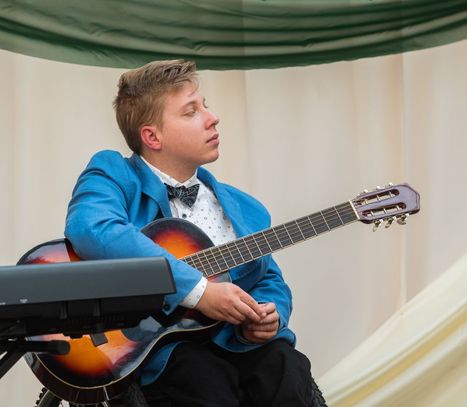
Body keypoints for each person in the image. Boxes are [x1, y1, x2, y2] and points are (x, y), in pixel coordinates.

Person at [64, 59, 317, 406]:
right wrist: (200, 292)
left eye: (205, 105)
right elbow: (92, 228)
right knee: (200, 378)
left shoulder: (246, 207)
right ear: (152, 136)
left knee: (287, 367)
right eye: (191, 111)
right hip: (161, 351)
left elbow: (268, 277)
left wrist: (268, 313)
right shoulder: (114, 173)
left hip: (238, 343)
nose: (212, 118)